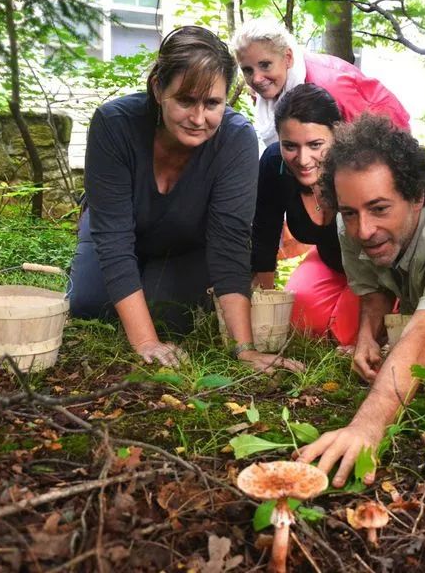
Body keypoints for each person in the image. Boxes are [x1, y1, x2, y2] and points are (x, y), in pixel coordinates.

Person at [69, 26, 302, 373]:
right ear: (158, 88)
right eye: (185, 100)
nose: (198, 118)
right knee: (89, 306)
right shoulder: (114, 124)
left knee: (167, 314)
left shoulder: (235, 139)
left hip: (188, 243)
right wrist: (145, 342)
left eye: (212, 103)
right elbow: (113, 238)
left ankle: (155, 288)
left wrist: (245, 349)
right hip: (117, 231)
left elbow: (230, 243)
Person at [296, 114, 425, 487]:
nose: (363, 230)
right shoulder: (350, 221)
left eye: (379, 209)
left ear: (416, 197)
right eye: (350, 212)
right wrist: (367, 337)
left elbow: (424, 334)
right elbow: (372, 286)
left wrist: (366, 426)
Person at [252, 83, 360, 345]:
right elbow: (265, 234)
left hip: (375, 267)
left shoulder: (359, 165)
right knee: (299, 322)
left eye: (315, 144)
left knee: (344, 335)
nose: (303, 159)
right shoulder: (274, 163)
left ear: (337, 135)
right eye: (290, 146)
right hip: (329, 260)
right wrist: (267, 306)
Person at [231, 18, 410, 147]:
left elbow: (368, 145)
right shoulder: (271, 89)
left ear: (288, 57)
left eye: (265, 65)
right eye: (248, 70)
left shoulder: (329, 87)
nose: (256, 78)